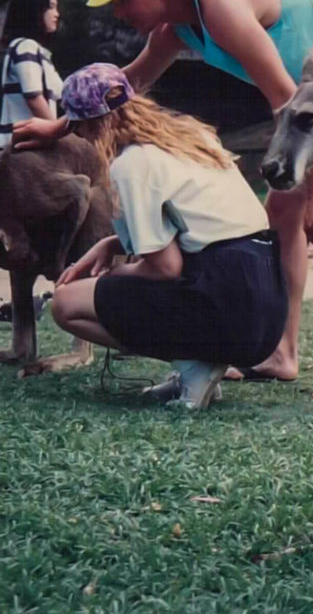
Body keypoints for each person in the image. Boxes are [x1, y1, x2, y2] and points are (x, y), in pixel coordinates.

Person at [13, 0, 313, 401]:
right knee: (280, 216)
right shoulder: (176, 31)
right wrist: (60, 125)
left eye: (123, 0)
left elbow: (287, 100)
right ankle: (282, 353)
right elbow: (126, 85)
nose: (119, 14)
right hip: (302, 103)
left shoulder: (219, 6)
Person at [50, 63, 287, 409]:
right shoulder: (192, 137)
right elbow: (201, 224)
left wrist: (113, 275)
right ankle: (199, 364)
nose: (79, 136)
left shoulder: (132, 164)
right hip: (265, 306)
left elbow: (166, 268)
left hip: (227, 301)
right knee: (110, 290)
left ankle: (193, 366)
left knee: (66, 303)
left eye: (79, 126)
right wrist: (111, 243)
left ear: (97, 123)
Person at [1, 0, 62, 148]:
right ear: (33, 10)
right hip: (19, 149)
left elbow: (64, 94)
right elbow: (33, 97)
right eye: (51, 7)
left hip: (31, 145)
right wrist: (57, 133)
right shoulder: (25, 47)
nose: (57, 14)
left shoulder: (41, 53)